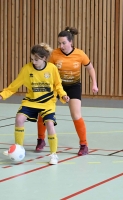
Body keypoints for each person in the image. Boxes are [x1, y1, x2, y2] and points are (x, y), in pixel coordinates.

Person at [0, 43, 70, 165]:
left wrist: (63, 95)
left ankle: (54, 154)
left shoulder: (52, 69)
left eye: (36, 59)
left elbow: (58, 85)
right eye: (32, 59)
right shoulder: (27, 69)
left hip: (47, 102)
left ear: (44, 58)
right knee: (19, 118)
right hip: (31, 101)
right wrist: (2, 95)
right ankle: (18, 148)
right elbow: (14, 85)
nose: (33, 62)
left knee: (50, 124)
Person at [35, 27, 98, 156]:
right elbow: (48, 69)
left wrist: (94, 84)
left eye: (64, 43)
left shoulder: (80, 54)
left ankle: (84, 144)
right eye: (59, 43)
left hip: (73, 86)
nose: (61, 46)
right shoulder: (55, 54)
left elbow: (90, 68)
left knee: (76, 114)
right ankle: (41, 139)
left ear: (71, 42)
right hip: (57, 86)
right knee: (43, 111)